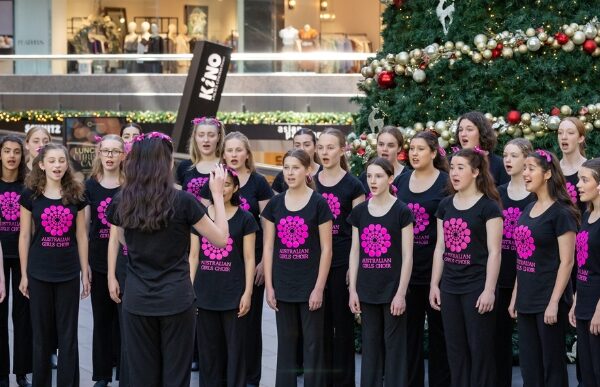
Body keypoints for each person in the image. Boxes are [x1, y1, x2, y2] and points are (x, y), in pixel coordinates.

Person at [106, 132, 229, 387]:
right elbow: (220, 238)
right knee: (176, 375)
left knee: (141, 375)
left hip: (137, 298)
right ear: (166, 163)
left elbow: (122, 240)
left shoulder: (122, 200)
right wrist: (217, 195)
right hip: (176, 299)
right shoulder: (183, 201)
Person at [429, 148, 503, 387]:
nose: (454, 173)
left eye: (461, 168)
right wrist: (434, 285)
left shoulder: (489, 207)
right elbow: (440, 248)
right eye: (452, 168)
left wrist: (489, 289)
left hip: (477, 287)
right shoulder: (445, 205)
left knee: (480, 351)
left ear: (476, 172)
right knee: (456, 350)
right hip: (450, 287)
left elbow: (495, 252)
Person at [18, 143, 90, 387]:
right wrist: (24, 275)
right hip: (38, 272)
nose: (57, 165)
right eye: (52, 161)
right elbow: (25, 236)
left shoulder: (76, 194)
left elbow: (81, 235)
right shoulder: (29, 195)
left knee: (68, 335)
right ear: (41, 164)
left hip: (68, 272)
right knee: (41, 335)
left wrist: (85, 271)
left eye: (61, 160)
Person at [262, 149, 333, 387]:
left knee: (313, 346)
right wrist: (269, 287)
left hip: (310, 284)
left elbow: (326, 250)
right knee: (286, 346)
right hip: (283, 285)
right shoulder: (274, 204)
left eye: (296, 168)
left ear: (308, 171)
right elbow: (269, 247)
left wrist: (319, 288)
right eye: (287, 167)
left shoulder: (319, 204)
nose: (290, 173)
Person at [508, 149, 579, 387]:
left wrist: (553, 302)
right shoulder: (528, 210)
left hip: (548, 300)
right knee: (530, 367)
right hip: (527, 298)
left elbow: (567, 262)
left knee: (552, 367)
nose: (525, 173)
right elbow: (522, 256)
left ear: (547, 174)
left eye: (531, 169)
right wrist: (515, 297)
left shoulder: (562, 213)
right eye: (524, 168)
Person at [348, 157, 414, 386]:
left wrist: (401, 293)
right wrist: (353, 291)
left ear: (390, 178)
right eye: (369, 176)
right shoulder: (360, 212)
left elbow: (407, 256)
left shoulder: (402, 211)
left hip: (392, 289)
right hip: (367, 289)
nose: (373, 181)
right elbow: (355, 252)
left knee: (395, 346)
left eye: (378, 176)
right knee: (370, 346)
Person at [190, 167, 258, 387]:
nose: (222, 188)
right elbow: (193, 257)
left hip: (233, 295)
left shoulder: (245, 218)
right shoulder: (199, 217)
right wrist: (190, 292)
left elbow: (249, 258)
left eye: (227, 184)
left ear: (236, 187)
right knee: (209, 355)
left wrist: (248, 293)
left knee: (235, 353)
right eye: (219, 183)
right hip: (205, 293)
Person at [394, 131, 450, 387]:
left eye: (420, 149)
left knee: (440, 335)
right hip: (407, 271)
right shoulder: (402, 181)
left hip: (438, 272)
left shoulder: (446, 182)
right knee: (409, 335)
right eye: (412, 149)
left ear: (434, 152)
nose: (414, 154)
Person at [315, 128, 365, 386]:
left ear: (343, 149)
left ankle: (344, 381)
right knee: (319, 327)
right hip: (315, 264)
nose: (325, 152)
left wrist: (353, 268)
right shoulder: (311, 180)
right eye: (321, 147)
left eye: (331, 147)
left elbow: (360, 229)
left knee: (342, 326)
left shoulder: (354, 185)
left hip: (343, 261)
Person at [85, 135, 125, 387]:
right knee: (101, 320)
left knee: (124, 321)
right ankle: (101, 375)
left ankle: (125, 372)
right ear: (99, 154)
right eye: (105, 151)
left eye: (115, 152)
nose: (110, 156)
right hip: (98, 260)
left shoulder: (130, 185)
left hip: (126, 262)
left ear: (123, 155)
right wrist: (84, 264)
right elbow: (85, 227)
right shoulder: (89, 186)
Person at [496, 138, 534, 387]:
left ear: (526, 159)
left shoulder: (534, 196)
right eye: (505, 155)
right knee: (498, 341)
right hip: (500, 276)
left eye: (514, 156)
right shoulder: (497, 193)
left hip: (528, 278)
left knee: (531, 343)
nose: (508, 160)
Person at [569, 158, 600, 387]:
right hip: (584, 300)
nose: (578, 184)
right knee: (586, 371)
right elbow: (584, 263)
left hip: (598, 305)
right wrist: (577, 300)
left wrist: (599, 309)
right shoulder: (587, 216)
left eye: (584, 180)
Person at [0, 135, 25, 387]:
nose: (11, 156)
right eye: (7, 150)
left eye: (16, 151)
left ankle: (21, 371)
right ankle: (1, 373)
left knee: (22, 315)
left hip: (22, 257)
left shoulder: (27, 186)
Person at [176, 117, 225, 202]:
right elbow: (177, 201)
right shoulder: (184, 166)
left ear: (218, 137)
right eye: (201, 135)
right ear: (195, 137)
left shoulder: (225, 166)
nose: (206, 140)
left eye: (211, 135)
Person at [455, 111, 509, 186]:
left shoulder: (500, 164)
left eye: (469, 129)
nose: (463, 134)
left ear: (482, 133)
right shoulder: (451, 161)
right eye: (460, 130)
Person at [359, 126, 408, 192]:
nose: (384, 149)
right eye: (381, 144)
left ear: (399, 148)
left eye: (390, 145)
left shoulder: (408, 177)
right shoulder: (365, 176)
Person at [271, 128, 321, 193]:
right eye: (297, 145)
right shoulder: (283, 176)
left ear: (315, 148)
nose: (302, 149)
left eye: (307, 145)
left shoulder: (325, 173)